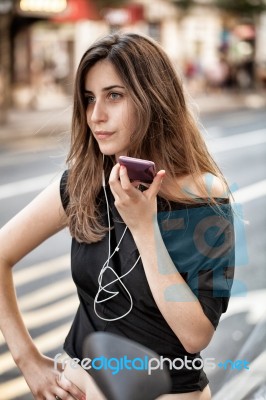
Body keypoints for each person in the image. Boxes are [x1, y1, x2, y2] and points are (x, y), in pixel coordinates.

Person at [0, 32, 235, 400]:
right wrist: (27, 360)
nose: (96, 116)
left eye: (114, 95)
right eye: (89, 99)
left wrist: (144, 226)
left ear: (153, 98)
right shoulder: (82, 183)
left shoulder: (202, 196)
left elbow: (195, 336)